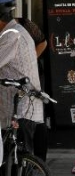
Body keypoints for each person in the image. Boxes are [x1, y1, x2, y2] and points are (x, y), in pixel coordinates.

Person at [0, 0, 44, 176]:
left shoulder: (11, 35)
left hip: (21, 107)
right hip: (18, 106)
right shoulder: (16, 30)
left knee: (19, 161)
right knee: (14, 159)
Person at [15, 17, 48, 161]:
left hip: (32, 73)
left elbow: (43, 42)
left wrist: (31, 58)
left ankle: (38, 158)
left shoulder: (24, 23)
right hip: (17, 73)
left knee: (36, 116)